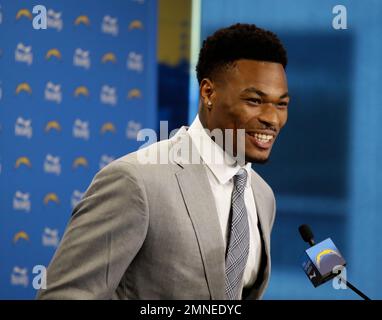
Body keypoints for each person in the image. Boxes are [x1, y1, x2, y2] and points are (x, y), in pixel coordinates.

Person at [37, 23, 289, 300]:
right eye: (254, 100)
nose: (272, 118)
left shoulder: (262, 195)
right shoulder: (137, 181)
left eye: (281, 104)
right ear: (208, 93)